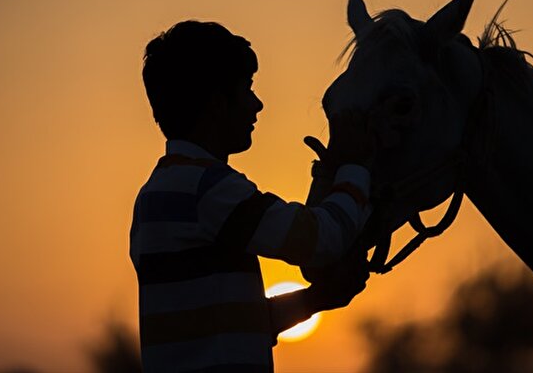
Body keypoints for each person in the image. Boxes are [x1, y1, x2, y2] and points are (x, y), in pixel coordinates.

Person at [130, 20, 375, 372]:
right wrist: (355, 166)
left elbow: (228, 327)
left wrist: (315, 300)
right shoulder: (209, 189)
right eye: (246, 90)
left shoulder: (154, 195)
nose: (257, 105)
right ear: (217, 103)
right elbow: (320, 240)